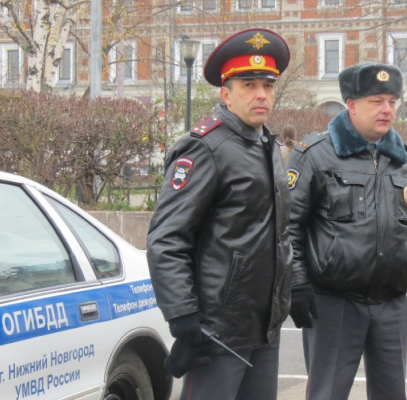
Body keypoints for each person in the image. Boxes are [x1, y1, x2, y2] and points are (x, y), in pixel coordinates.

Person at [146, 28, 292, 400]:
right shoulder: (205, 148)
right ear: (225, 93)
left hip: (263, 325)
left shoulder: (267, 144)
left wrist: (292, 290)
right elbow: (167, 239)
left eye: (268, 85)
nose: (261, 94)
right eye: (249, 85)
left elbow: (276, 233)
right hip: (217, 332)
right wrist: (182, 317)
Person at [286, 62, 407, 400]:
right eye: (376, 101)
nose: (387, 109)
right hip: (334, 303)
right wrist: (296, 283)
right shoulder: (315, 156)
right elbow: (288, 226)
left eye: (392, 101)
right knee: (327, 394)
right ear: (351, 104)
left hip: (392, 305)